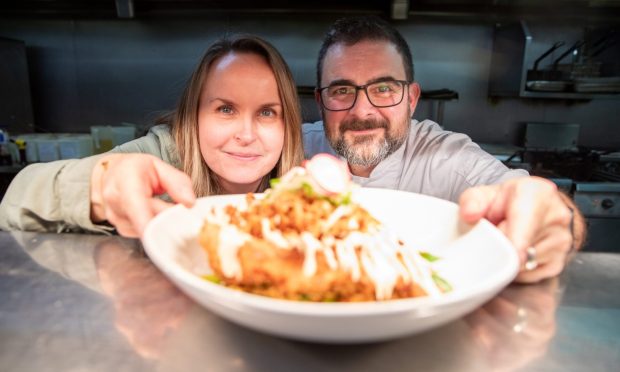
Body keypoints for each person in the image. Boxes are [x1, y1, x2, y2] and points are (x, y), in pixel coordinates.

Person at [302, 16, 586, 283]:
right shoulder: (292, 147)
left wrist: (556, 221)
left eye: (384, 88)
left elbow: (523, 196)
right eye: (341, 91)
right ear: (319, 100)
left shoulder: (449, 157)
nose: (362, 111)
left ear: (411, 99)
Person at [0, 35, 304, 237]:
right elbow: (15, 201)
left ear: (287, 125)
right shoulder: (154, 157)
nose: (246, 135)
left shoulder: (299, 189)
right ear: (192, 116)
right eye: (226, 109)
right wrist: (98, 186)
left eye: (267, 113)